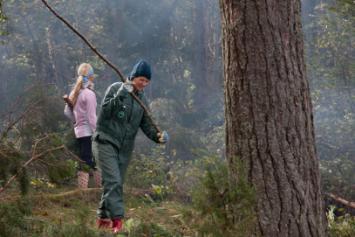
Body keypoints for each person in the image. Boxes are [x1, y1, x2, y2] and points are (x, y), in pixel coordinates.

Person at [93, 60, 168, 233]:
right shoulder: (115, 88)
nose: (144, 84)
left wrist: (159, 137)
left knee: (114, 183)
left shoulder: (142, 100)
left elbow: (147, 126)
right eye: (141, 79)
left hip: (124, 150)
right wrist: (122, 92)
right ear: (133, 77)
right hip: (104, 141)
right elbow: (105, 112)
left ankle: (103, 219)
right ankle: (118, 221)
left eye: (147, 81)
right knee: (113, 181)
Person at [65, 63, 100, 189]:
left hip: (79, 132)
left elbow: (67, 112)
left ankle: (87, 189)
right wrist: (97, 132)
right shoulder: (89, 94)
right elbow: (92, 117)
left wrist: (77, 122)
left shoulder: (74, 92)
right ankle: (92, 189)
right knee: (93, 159)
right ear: (91, 77)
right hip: (89, 132)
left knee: (85, 158)